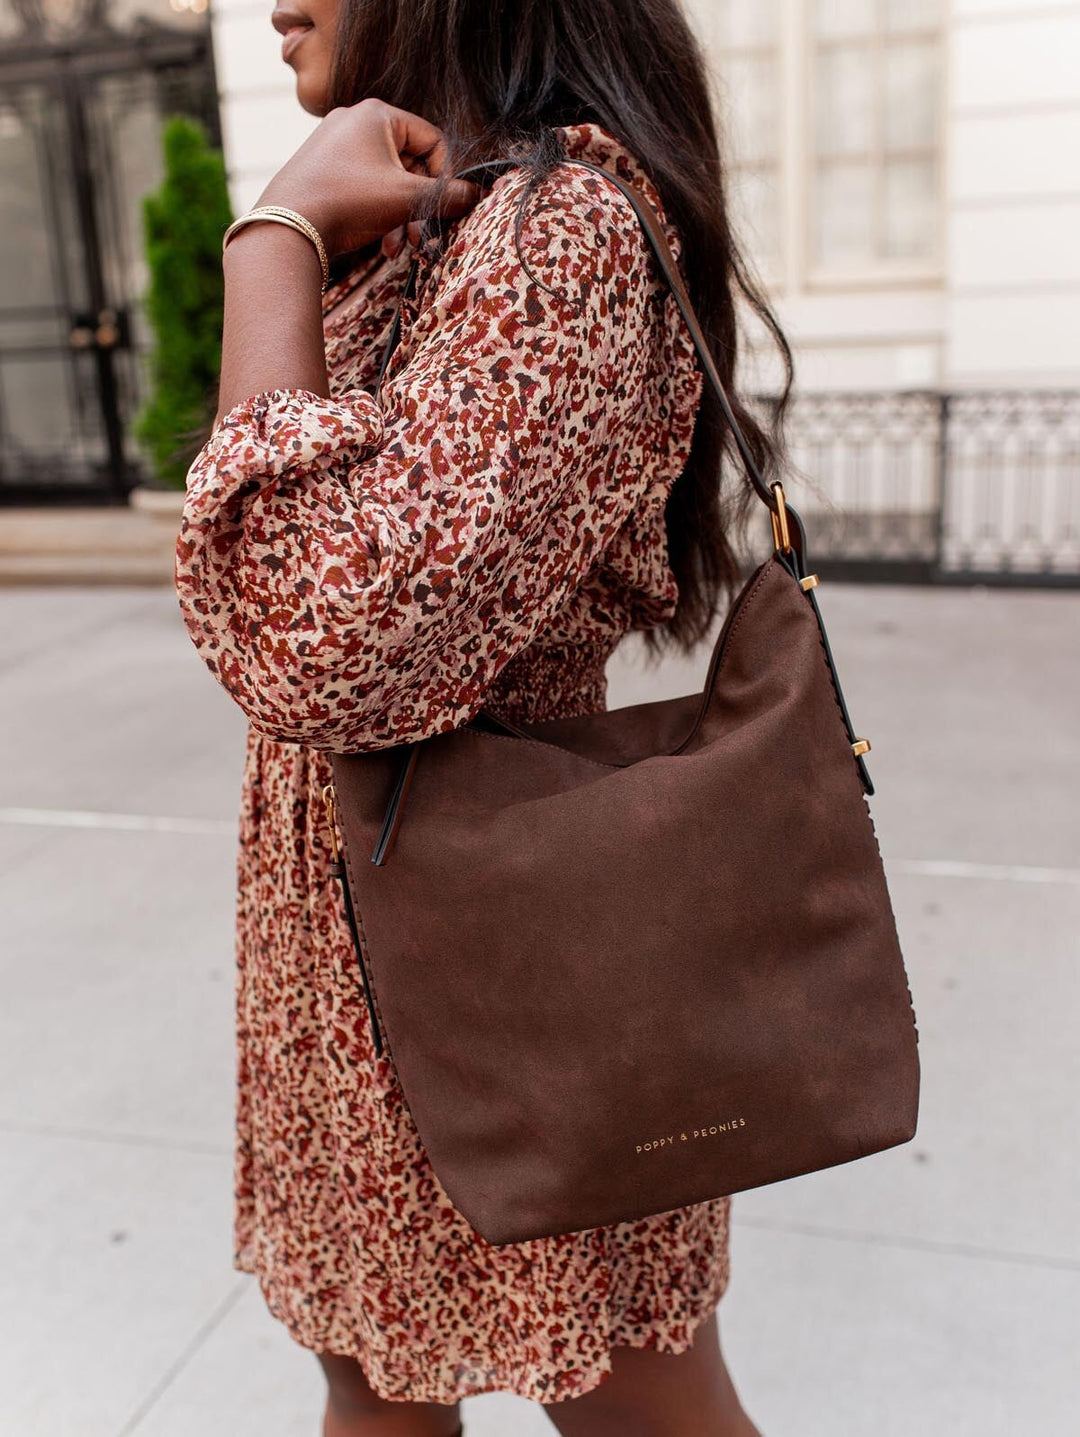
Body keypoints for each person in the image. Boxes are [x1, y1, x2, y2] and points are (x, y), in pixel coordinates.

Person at [175, 1, 791, 1432]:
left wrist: (271, 239)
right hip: (351, 962)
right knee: (374, 1381)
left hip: (508, 954)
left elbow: (312, 638)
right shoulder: (424, 227)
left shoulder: (561, 232)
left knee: (640, 1399)